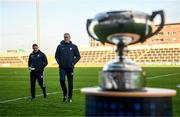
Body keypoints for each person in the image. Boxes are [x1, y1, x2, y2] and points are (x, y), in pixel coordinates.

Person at [55, 33, 81, 103]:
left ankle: (70, 97)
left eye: (67, 37)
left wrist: (73, 63)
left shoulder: (74, 46)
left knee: (70, 84)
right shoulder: (60, 46)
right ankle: (65, 93)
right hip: (62, 68)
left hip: (70, 68)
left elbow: (78, 56)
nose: (66, 38)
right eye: (65, 37)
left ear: (70, 37)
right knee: (62, 80)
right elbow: (56, 56)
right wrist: (59, 63)